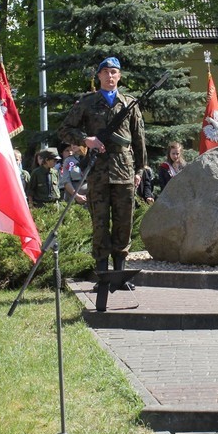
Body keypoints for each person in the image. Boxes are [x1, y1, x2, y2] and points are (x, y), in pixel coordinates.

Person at [59, 56, 147, 282]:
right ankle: (102, 276)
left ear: (120, 76)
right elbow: (65, 130)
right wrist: (85, 140)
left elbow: (138, 139)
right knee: (99, 223)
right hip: (97, 171)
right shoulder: (87, 102)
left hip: (124, 170)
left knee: (123, 223)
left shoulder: (129, 103)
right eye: (106, 72)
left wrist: (139, 170)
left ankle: (120, 275)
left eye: (114, 72)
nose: (110, 76)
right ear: (99, 76)